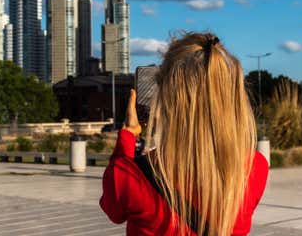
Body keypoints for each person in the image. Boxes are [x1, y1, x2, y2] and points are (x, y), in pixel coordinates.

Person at [100, 33, 269, 236]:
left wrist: (127, 135)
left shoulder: (129, 176)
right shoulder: (255, 168)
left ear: (166, 99)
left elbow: (114, 210)